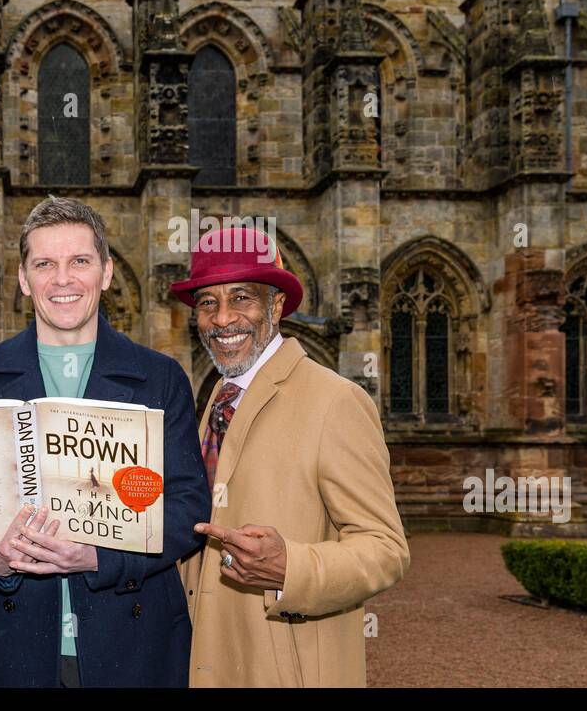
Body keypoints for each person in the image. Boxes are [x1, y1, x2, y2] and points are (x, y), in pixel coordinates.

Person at [0, 196, 210, 687]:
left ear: (106, 272)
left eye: (80, 262)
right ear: (25, 280)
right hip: (16, 645)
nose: (63, 279)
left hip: (134, 643)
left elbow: (187, 510)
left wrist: (99, 557)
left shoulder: (160, 378)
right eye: (45, 264)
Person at [171, 226, 410, 686]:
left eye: (242, 298)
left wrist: (291, 569)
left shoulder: (336, 400)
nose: (222, 320)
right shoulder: (217, 401)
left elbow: (385, 549)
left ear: (276, 307)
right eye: (207, 303)